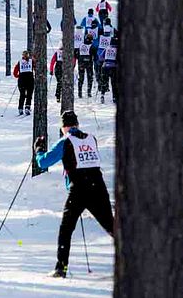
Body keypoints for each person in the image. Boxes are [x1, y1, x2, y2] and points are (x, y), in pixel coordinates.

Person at [34, 111, 114, 278]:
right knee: (112, 226)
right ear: (77, 124)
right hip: (98, 186)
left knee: (66, 229)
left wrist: (39, 150)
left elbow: (44, 162)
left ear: (64, 127)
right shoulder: (91, 139)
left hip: (79, 189)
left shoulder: (66, 141)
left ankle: (61, 268)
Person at [13, 50, 34, 116]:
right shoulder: (31, 61)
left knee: (22, 94)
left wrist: (19, 76)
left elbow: (15, 73)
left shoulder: (19, 62)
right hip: (30, 79)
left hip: (22, 80)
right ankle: (27, 107)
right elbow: (36, 68)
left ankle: (20, 108)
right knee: (29, 94)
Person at [99, 37, 118, 104]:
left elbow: (100, 57)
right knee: (114, 83)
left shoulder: (107, 48)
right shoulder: (117, 49)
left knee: (104, 82)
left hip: (105, 67)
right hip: (113, 67)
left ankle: (102, 95)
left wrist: (105, 60)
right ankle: (114, 97)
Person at [77, 34, 97, 98]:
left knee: (81, 78)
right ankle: (89, 92)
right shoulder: (92, 46)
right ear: (91, 40)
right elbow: (95, 56)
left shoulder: (80, 45)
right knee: (90, 78)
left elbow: (76, 54)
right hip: (89, 63)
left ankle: (79, 92)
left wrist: (80, 59)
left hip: (81, 63)